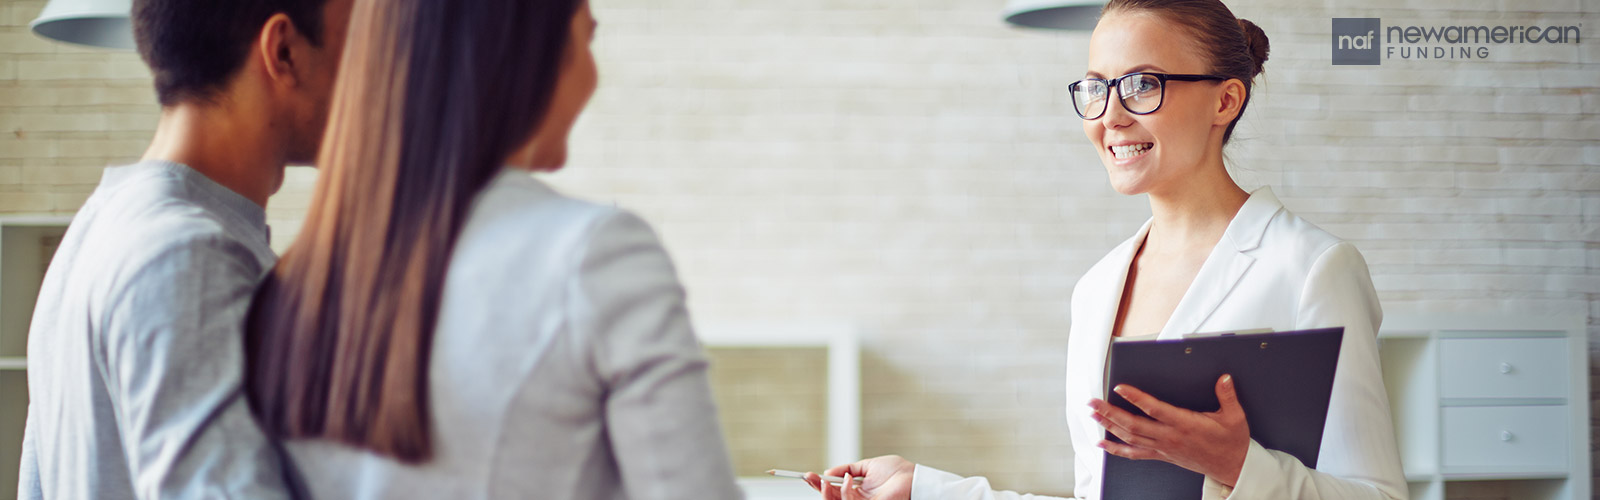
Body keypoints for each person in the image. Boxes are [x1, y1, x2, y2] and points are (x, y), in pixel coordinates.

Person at [805, 0, 1406, 499]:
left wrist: (1238, 467)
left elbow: (1378, 495)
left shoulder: (1311, 268)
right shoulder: (1097, 288)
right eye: (1096, 88)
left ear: (1225, 101)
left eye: (1142, 84)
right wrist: (924, 489)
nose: (1110, 116)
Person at [240, 0, 744, 498]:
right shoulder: (593, 256)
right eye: (587, 37)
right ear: (529, 48)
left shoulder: (288, 286)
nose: (594, 74)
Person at [17, 0, 352, 498]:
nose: (374, 78)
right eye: (355, 49)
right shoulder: (186, 257)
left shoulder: (97, 228)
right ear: (282, 52)